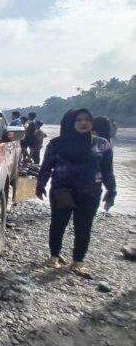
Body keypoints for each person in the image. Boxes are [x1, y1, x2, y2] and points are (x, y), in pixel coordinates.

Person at [36, 109, 116, 277]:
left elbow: (107, 171)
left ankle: (78, 261)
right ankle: (54, 256)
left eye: (87, 119)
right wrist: (40, 184)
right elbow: (46, 167)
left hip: (90, 192)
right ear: (70, 122)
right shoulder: (56, 144)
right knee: (58, 224)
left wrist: (111, 191)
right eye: (78, 120)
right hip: (61, 191)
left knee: (84, 227)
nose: (83, 123)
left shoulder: (101, 144)